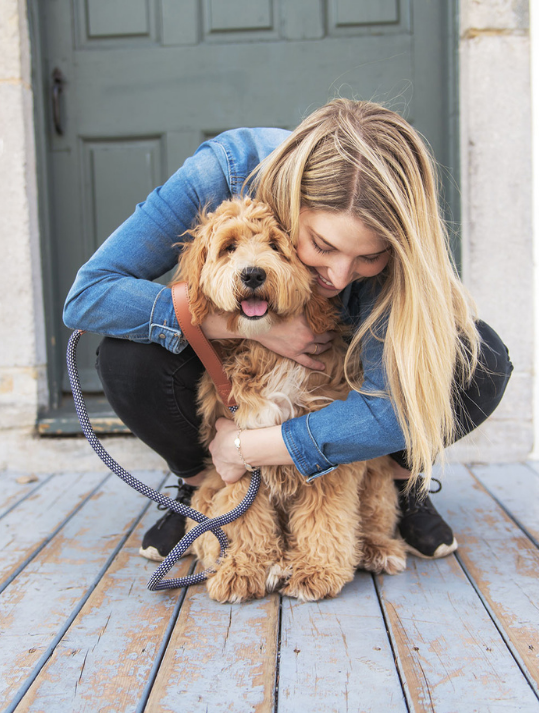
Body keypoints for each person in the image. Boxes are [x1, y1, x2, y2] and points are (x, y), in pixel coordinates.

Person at [63, 99, 512, 563]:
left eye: (368, 257)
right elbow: (89, 296)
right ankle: (203, 486)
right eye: (322, 245)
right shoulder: (223, 171)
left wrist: (246, 447)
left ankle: (399, 482)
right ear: (292, 201)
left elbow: (388, 410)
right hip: (237, 369)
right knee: (126, 359)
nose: (339, 276)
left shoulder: (394, 256)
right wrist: (250, 328)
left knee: (478, 360)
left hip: (335, 383)